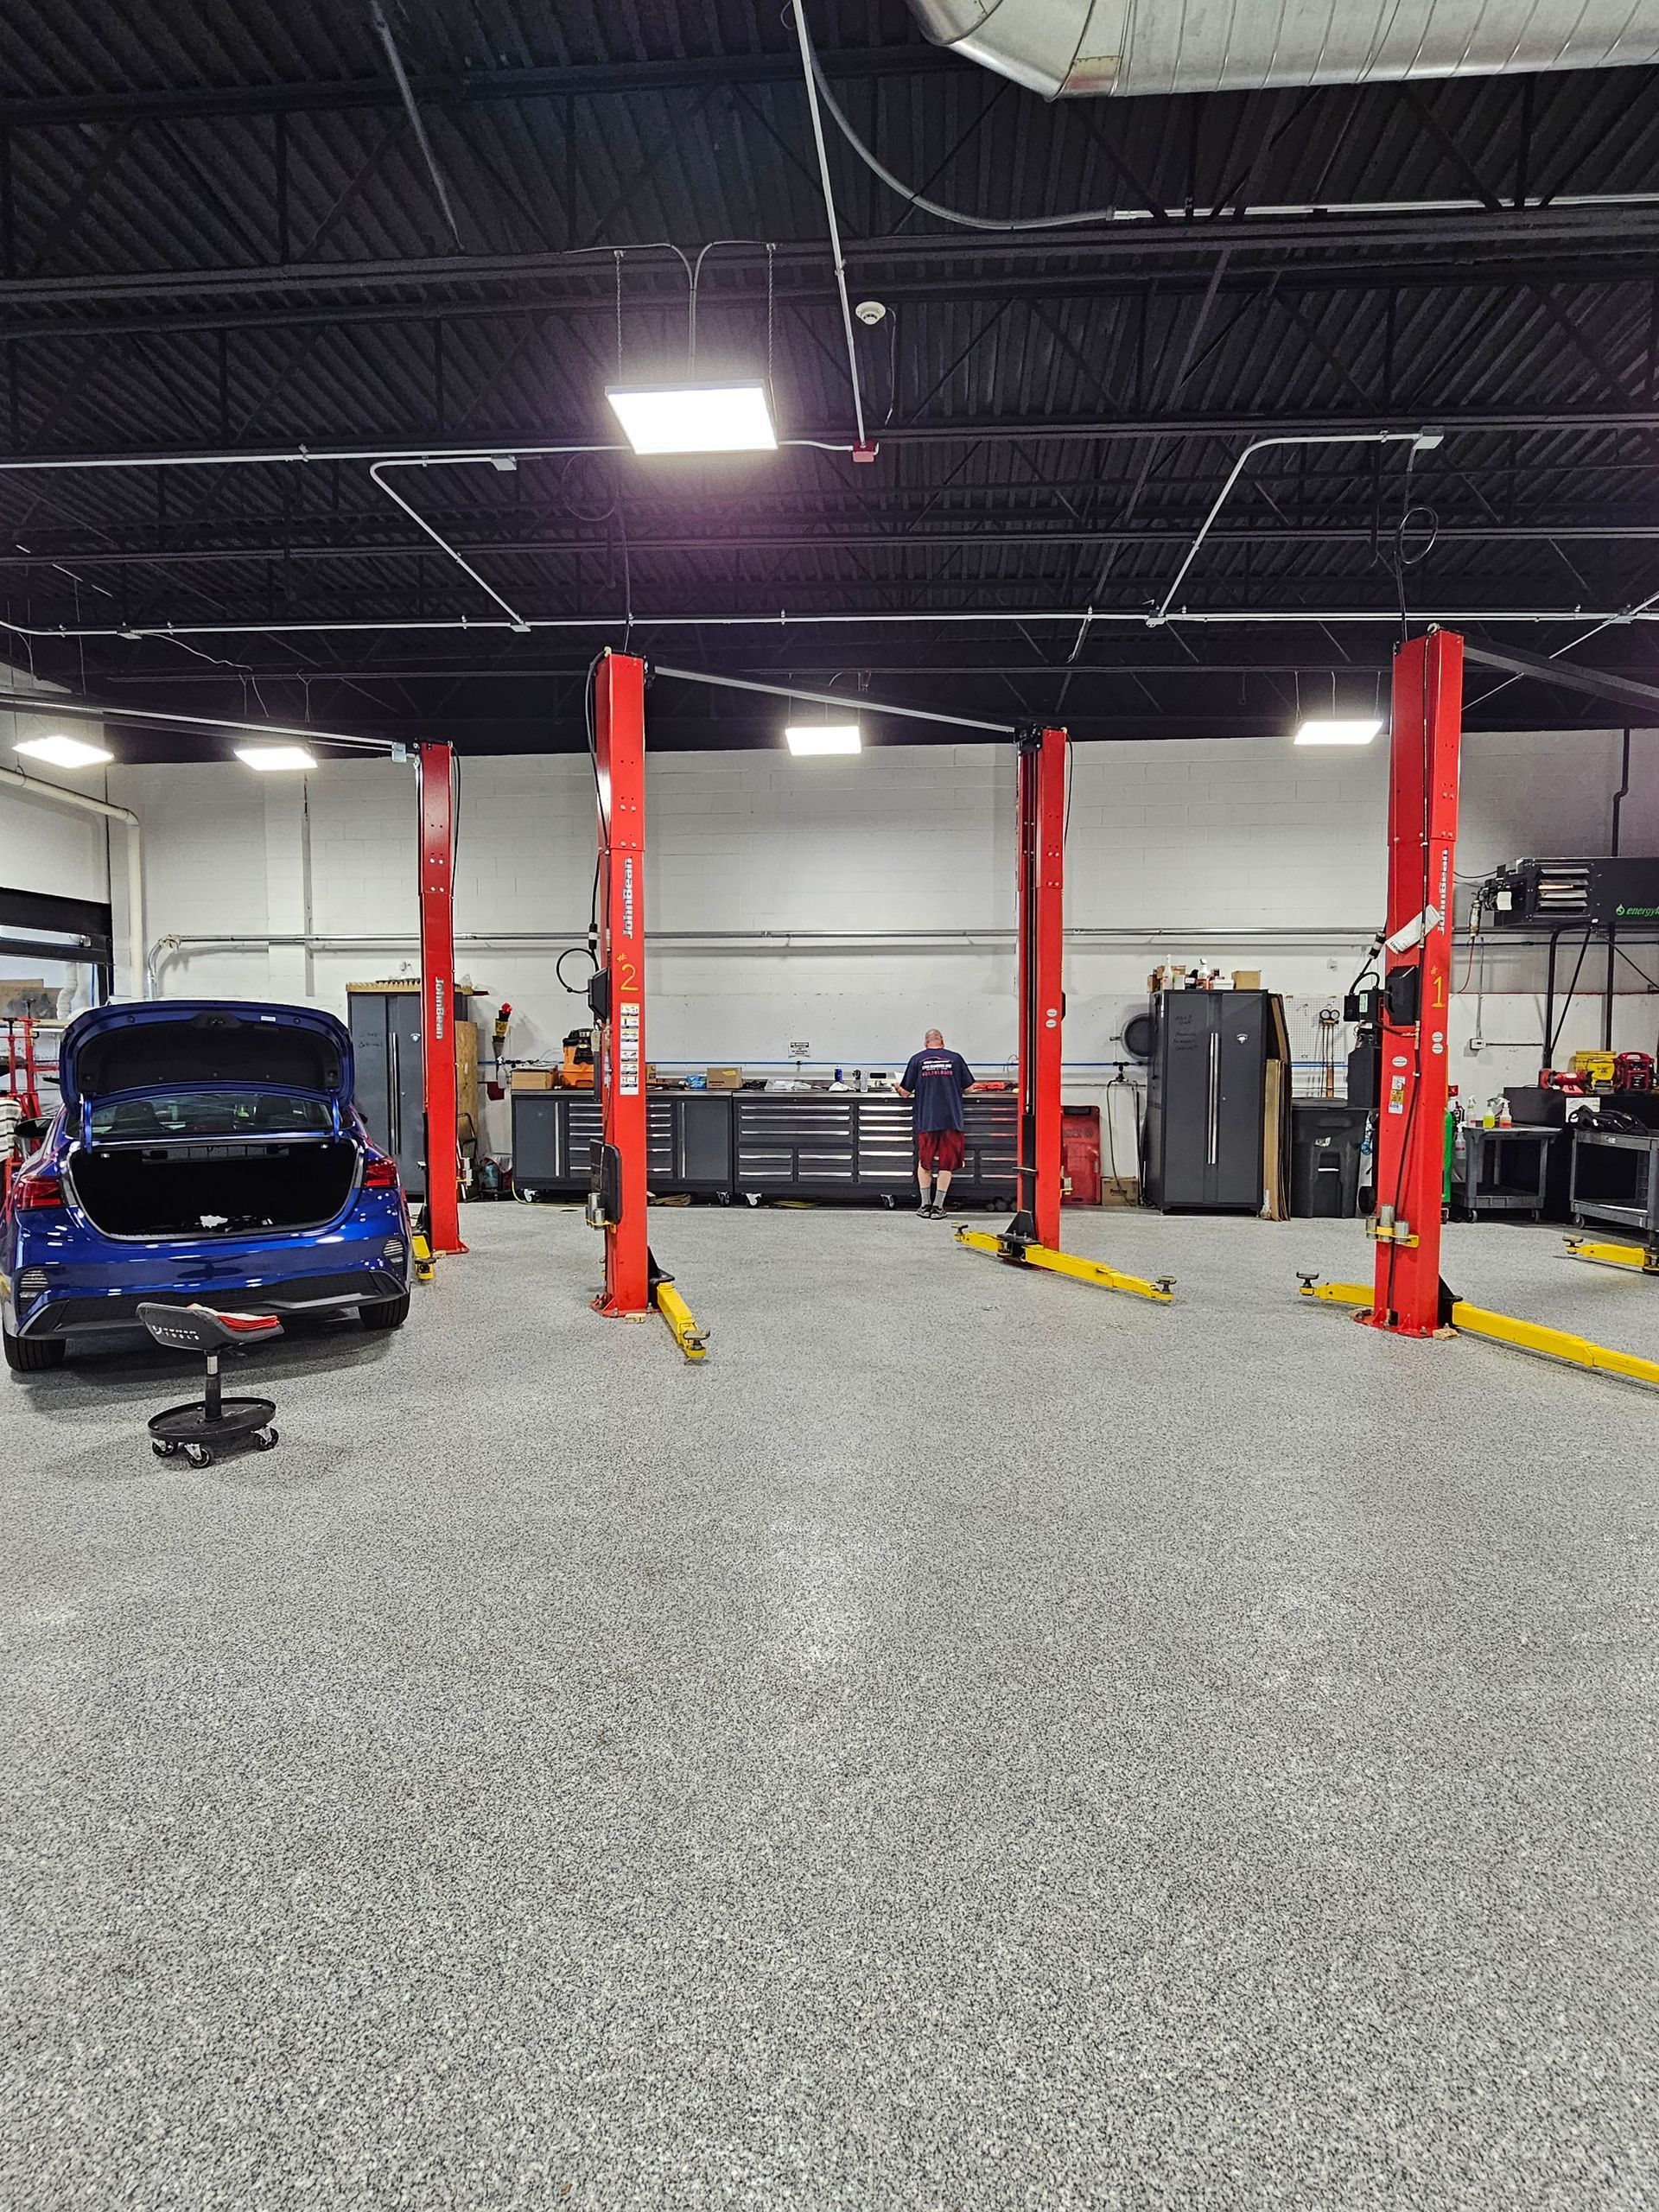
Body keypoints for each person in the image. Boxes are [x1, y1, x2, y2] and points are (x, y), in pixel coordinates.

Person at [895, 1028, 981, 1217]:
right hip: (952, 1121)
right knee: (946, 1164)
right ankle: (938, 1207)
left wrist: (896, 1086)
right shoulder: (956, 1059)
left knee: (925, 1163)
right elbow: (969, 1089)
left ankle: (924, 1206)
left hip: (927, 1120)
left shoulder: (917, 1060)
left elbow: (905, 1093)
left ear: (925, 1043)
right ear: (942, 1041)